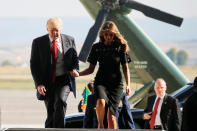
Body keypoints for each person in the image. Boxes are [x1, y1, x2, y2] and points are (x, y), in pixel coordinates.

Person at [79, 21, 131, 129]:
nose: (108, 37)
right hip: (101, 81)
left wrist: (128, 85)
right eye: (106, 34)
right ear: (102, 34)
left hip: (116, 84)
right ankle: (100, 126)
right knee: (101, 102)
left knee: (111, 117)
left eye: (111, 35)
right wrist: (78, 74)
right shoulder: (96, 47)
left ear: (114, 35)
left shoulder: (120, 47)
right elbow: (90, 69)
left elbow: (125, 68)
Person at [30, 17, 79, 128]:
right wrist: (39, 84)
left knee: (60, 101)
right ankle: (49, 128)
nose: (55, 33)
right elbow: (34, 65)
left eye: (57, 30)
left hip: (64, 80)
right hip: (47, 82)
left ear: (61, 29)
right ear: (47, 29)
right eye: (52, 30)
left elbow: (75, 58)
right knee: (51, 109)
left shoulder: (69, 39)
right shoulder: (38, 42)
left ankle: (59, 129)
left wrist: (75, 69)